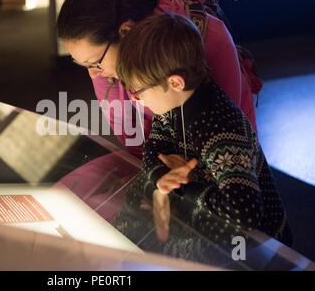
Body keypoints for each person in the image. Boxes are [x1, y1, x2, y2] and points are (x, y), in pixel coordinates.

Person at [114, 13, 292, 258]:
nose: (135, 99)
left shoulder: (219, 127)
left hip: (259, 245)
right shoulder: (172, 106)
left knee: (168, 249)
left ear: (175, 82)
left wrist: (181, 190)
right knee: (141, 187)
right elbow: (153, 148)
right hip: (210, 200)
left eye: (138, 90)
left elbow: (245, 213)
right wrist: (162, 178)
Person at [57, 0, 257, 159]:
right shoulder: (103, 62)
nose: (93, 74)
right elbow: (133, 140)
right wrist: (158, 170)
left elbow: (228, 132)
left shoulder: (208, 37)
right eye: (84, 65)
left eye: (94, 63)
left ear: (125, 31)